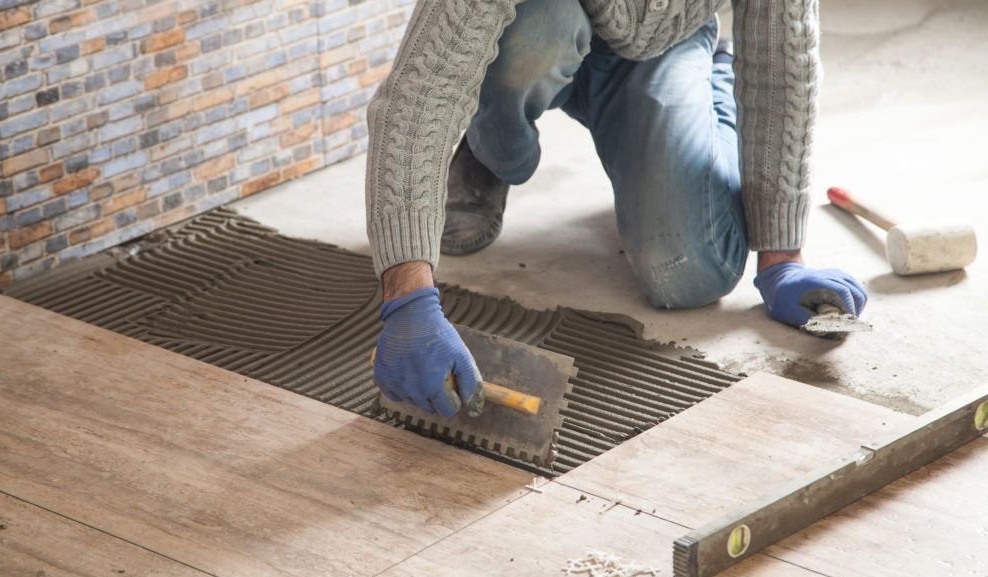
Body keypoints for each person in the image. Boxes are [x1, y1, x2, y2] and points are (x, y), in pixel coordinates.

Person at [366, 0, 867, 419]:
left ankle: (713, 87)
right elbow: (422, 88)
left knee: (693, 274)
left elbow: (782, 67)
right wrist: (407, 298)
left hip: (664, 43)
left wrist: (782, 256)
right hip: (540, 23)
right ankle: (493, 146)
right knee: (533, 39)